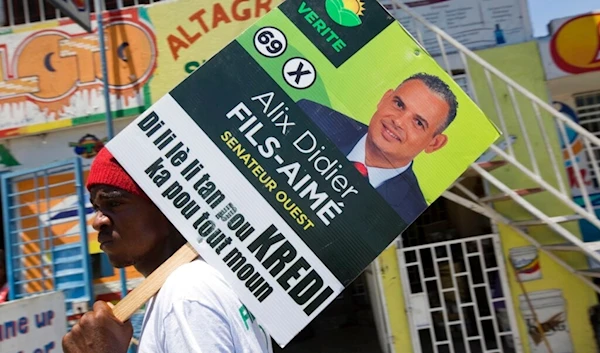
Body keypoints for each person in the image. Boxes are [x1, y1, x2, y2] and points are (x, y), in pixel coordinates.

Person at [62, 147, 273, 353]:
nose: (98, 221)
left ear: (166, 209)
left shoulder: (185, 291)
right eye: (96, 208)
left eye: (114, 203)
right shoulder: (190, 284)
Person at [297, 72, 458, 223]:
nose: (398, 122)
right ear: (384, 99)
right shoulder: (309, 117)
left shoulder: (408, 216)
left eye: (418, 123)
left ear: (434, 143)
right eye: (399, 104)